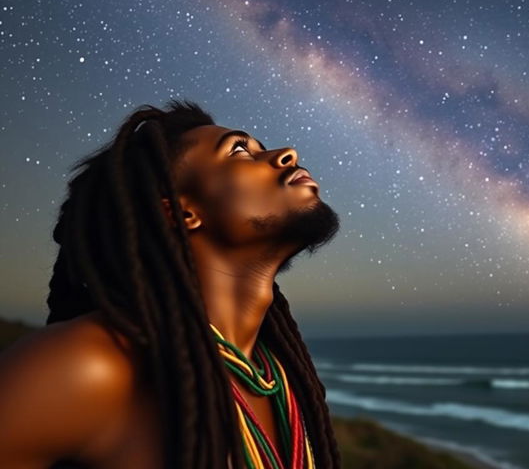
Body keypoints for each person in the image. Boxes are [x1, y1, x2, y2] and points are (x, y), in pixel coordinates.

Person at [0, 99, 342, 468]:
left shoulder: (285, 382)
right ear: (180, 213)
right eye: (239, 150)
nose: (287, 153)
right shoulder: (91, 366)